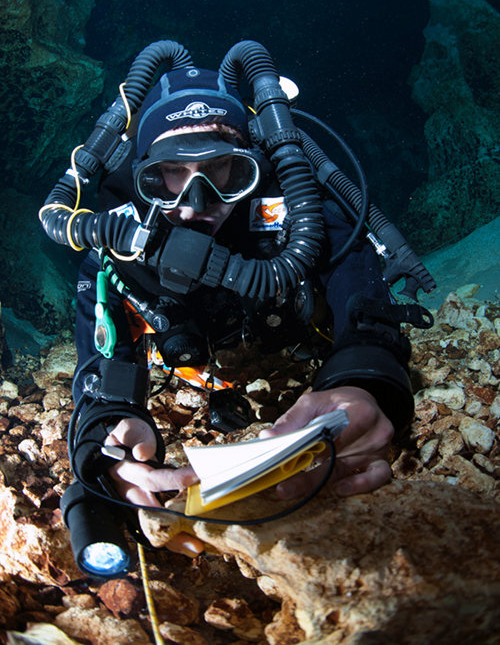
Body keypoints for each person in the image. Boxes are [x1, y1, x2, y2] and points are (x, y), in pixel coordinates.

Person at [41, 40, 432, 563]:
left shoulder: (295, 217)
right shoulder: (121, 244)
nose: (196, 205)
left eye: (224, 171)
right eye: (170, 176)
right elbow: (102, 340)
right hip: (197, 359)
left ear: (253, 168)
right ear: (143, 180)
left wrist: (365, 382)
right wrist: (106, 432)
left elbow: (357, 280)